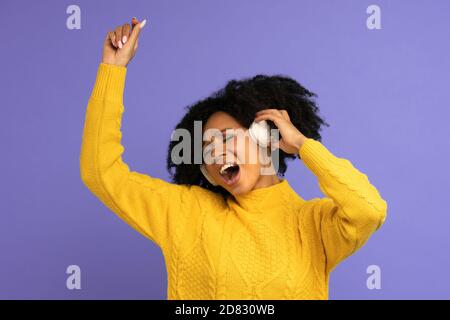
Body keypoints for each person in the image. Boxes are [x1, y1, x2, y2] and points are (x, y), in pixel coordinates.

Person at [80, 17, 387, 300]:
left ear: (265, 137)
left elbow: (369, 210)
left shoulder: (314, 225)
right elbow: (100, 171)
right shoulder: (186, 212)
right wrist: (113, 69)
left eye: (226, 137)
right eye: (206, 149)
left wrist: (303, 145)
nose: (216, 153)